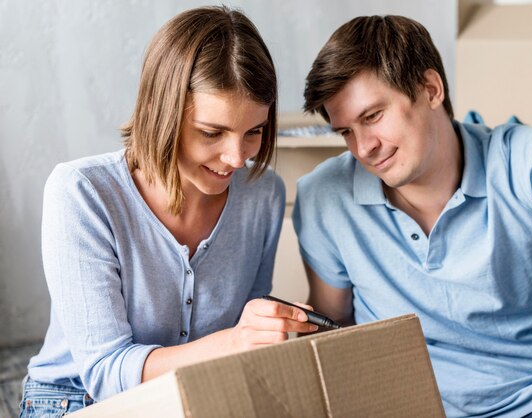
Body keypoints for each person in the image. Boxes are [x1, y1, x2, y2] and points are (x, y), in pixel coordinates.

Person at [293, 14, 532, 418]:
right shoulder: (324, 196)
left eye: (373, 116)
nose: (363, 148)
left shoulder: (515, 156)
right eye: (345, 131)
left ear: (431, 89)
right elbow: (333, 320)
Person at [19, 6, 317, 416]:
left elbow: (245, 338)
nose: (236, 157)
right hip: (76, 398)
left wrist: (268, 331)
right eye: (212, 133)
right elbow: (105, 373)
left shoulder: (262, 196)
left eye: (254, 132)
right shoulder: (82, 193)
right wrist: (234, 341)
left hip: (195, 393)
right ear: (163, 113)